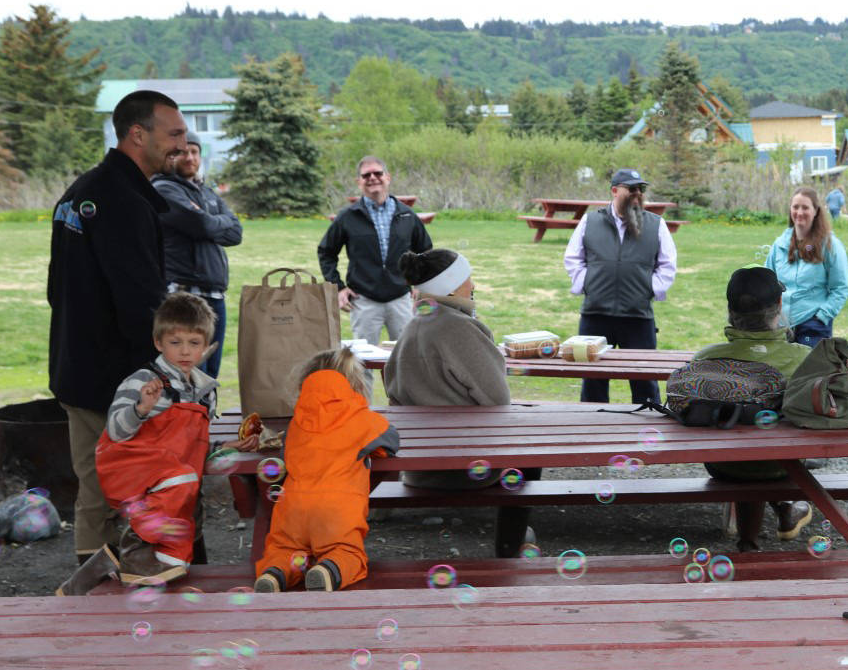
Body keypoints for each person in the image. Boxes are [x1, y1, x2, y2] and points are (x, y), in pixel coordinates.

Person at [48, 89, 188, 564]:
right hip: (115, 381)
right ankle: (146, 580)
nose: (182, 146)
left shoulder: (81, 190)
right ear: (137, 134)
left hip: (74, 367)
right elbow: (140, 304)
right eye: (173, 134)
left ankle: (93, 597)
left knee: (94, 486)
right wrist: (167, 373)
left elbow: (54, 290)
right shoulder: (122, 201)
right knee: (144, 483)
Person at [56, 294, 257, 594]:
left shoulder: (204, 390)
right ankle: (137, 552)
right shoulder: (143, 382)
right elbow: (115, 430)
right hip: (135, 469)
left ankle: (97, 572)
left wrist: (225, 446)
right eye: (176, 342)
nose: (185, 351)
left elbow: (195, 444)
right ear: (158, 342)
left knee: (181, 516)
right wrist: (140, 410)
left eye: (194, 343)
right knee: (169, 518)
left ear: (206, 346)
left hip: (175, 478)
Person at [385, 248, 538, 557]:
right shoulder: (457, 328)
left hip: (418, 469)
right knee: (533, 451)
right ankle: (511, 539)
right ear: (453, 287)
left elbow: (393, 390)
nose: (473, 284)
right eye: (469, 278)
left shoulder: (414, 326)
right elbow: (498, 399)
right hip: (467, 469)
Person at [255, 349, 399, 592]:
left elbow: (286, 458)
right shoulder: (362, 419)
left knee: (286, 550)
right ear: (354, 385)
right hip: (337, 510)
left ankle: (275, 573)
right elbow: (390, 442)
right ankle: (329, 570)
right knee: (346, 552)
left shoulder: (296, 423)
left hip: (293, 508)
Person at [696, 267, 813, 552]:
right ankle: (784, 508)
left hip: (722, 465)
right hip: (786, 466)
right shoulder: (804, 359)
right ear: (779, 307)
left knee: (744, 443)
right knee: (764, 444)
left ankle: (748, 541)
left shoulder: (705, 360)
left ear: (729, 309)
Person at [563, 168, 677, 404]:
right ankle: (592, 429)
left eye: (641, 189)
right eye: (631, 189)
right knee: (592, 378)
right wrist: (588, 283)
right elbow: (573, 258)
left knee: (644, 379)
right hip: (595, 314)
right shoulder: (590, 221)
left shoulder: (656, 224)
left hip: (638, 317)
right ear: (615, 191)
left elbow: (667, 264)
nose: (637, 193)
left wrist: (649, 289)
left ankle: (647, 424)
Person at [152, 130, 243, 378]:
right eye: (182, 152)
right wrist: (212, 223)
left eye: (194, 151)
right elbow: (201, 224)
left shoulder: (206, 192)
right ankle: (188, 418)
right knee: (190, 372)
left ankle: (206, 418)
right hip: (185, 293)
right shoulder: (164, 189)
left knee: (210, 373)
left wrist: (207, 221)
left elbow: (236, 232)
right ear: (171, 156)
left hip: (215, 294)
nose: (189, 157)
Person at [319, 156, 432, 345]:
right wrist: (337, 288)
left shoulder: (406, 214)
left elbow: (425, 251)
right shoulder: (348, 216)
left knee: (406, 358)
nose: (373, 178)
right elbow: (326, 252)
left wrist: (421, 285)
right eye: (366, 175)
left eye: (378, 173)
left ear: (388, 177)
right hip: (363, 300)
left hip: (401, 299)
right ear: (359, 182)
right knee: (362, 364)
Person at [764, 187, 848, 347]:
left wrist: (822, 316)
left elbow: (840, 287)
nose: (799, 212)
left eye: (805, 207)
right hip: (780, 326)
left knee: (810, 372)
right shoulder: (779, 244)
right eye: (795, 207)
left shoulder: (830, 245)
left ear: (816, 211)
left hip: (813, 326)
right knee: (779, 371)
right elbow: (766, 281)